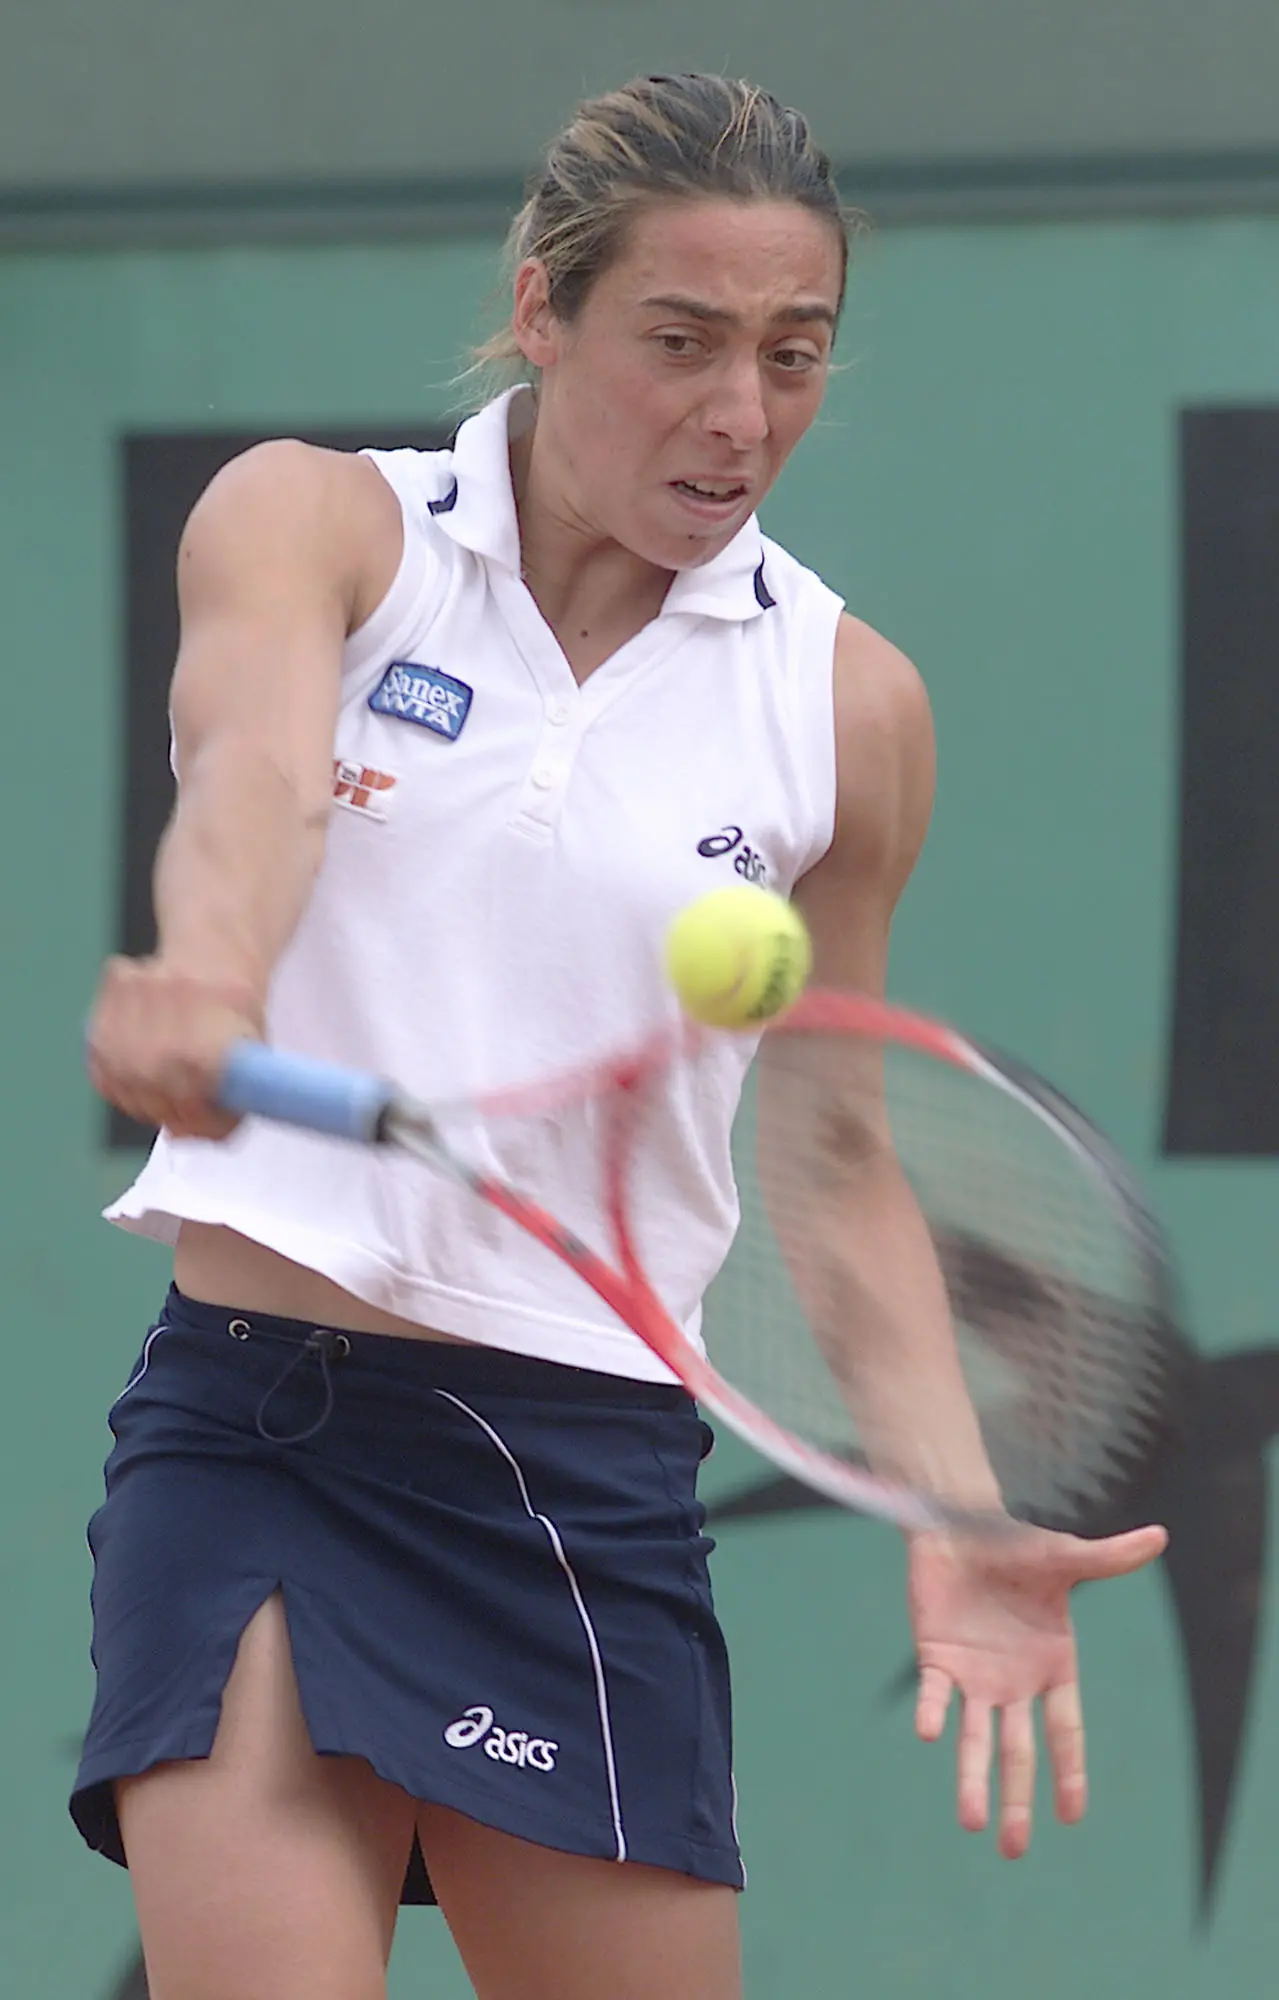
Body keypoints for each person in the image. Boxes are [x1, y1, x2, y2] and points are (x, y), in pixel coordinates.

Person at [78, 72, 1166, 2000]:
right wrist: (206, 967)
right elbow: (257, 776)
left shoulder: (848, 709)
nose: (739, 414)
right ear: (541, 308)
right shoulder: (318, 524)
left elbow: (834, 1164)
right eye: (679, 342)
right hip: (262, 1426)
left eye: (792, 354)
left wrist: (955, 1506)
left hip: (577, 1480)